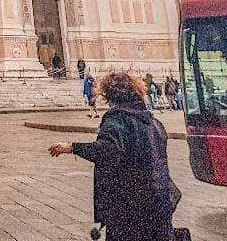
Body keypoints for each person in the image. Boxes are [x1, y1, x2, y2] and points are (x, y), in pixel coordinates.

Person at [48, 72, 181, 241]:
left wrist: (72, 147)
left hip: (130, 208)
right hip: (160, 203)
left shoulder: (118, 120)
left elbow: (107, 150)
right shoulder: (154, 123)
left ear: (111, 96)